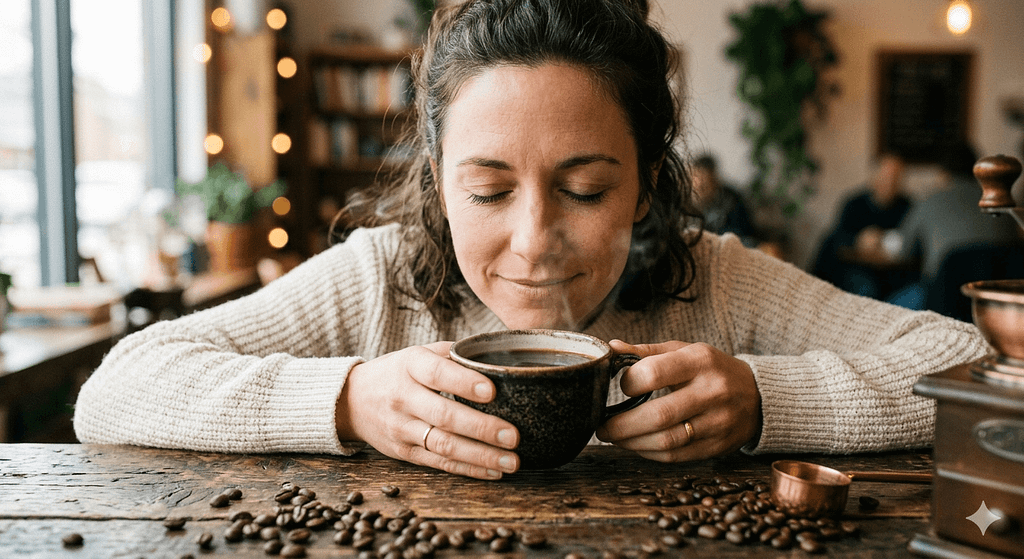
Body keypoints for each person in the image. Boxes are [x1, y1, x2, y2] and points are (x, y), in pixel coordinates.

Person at [74, 0, 988, 480]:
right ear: (439, 184)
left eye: (586, 187)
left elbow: (974, 365)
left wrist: (763, 399)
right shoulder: (380, 281)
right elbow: (115, 391)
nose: (534, 239)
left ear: (644, 184)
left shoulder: (713, 282)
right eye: (488, 188)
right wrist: (350, 399)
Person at [885, 142, 1021, 311]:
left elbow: (902, 251)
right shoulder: (1002, 202)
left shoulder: (930, 200)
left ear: (942, 173)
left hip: (942, 299)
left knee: (887, 306)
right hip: (997, 307)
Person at [810, 152, 915, 300]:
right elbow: (836, 238)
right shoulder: (854, 204)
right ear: (875, 176)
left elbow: (912, 242)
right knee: (867, 288)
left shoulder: (908, 207)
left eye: (895, 177)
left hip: (892, 274)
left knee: (916, 292)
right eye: (886, 176)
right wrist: (858, 240)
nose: (890, 183)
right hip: (853, 270)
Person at [691, 153, 757, 246]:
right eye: (696, 178)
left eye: (704, 179)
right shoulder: (687, 200)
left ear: (714, 177)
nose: (699, 184)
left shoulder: (732, 198)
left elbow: (742, 233)